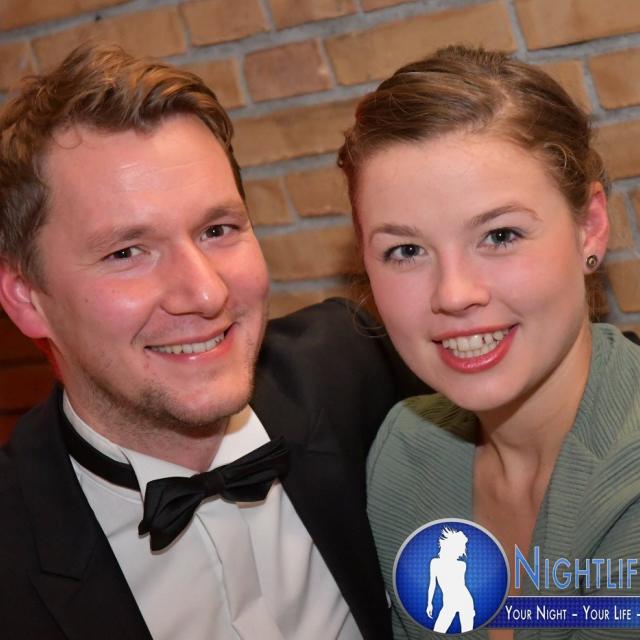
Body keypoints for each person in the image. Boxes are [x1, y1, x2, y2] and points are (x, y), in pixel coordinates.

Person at [0, 43, 424, 640]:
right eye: (127, 252)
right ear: (27, 299)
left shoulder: (362, 368)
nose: (204, 293)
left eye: (218, 229)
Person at [338, 45, 640, 639]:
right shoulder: (403, 454)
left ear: (590, 227)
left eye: (500, 235)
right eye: (406, 250)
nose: (454, 294)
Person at [426, 528, 474, 633]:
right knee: (438, 631)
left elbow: (461, 586)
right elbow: (432, 584)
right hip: (449, 603)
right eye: (461, 547)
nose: (462, 550)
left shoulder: (462, 565)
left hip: (465, 601)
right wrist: (429, 603)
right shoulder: (435, 563)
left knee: (468, 633)